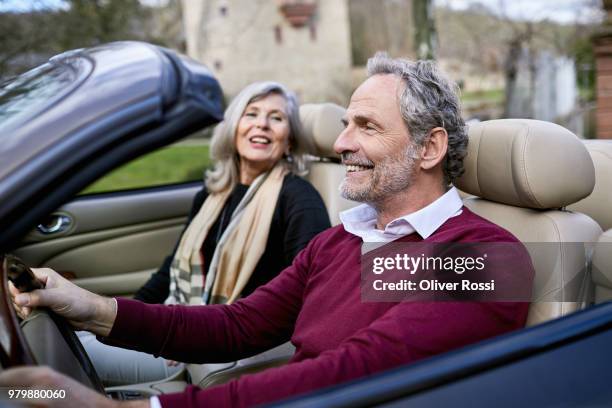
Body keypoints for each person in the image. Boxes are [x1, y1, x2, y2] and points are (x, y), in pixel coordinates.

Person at [2, 53, 534, 408]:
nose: (341, 143)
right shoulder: (341, 241)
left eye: (366, 127)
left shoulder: (484, 257)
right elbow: (236, 326)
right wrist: (86, 306)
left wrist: (145, 407)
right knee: (21, 396)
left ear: (430, 148)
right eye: (346, 123)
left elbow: (359, 369)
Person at [77, 81, 331, 385]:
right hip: (180, 325)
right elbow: (169, 271)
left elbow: (310, 291)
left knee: (70, 352)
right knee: (78, 333)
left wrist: (188, 334)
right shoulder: (213, 194)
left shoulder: (298, 198)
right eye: (251, 114)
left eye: (276, 118)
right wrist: (130, 314)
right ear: (233, 126)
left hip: (218, 341)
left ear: (289, 141)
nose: (261, 124)